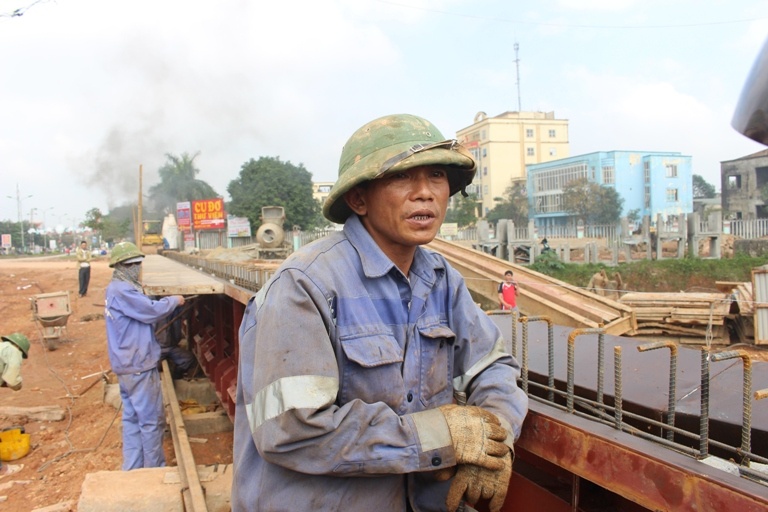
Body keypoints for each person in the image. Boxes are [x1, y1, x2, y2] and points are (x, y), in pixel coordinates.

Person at [232, 114, 528, 512]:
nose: (424, 193)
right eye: (402, 177)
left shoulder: (443, 282)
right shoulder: (305, 285)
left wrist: (495, 440)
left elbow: (493, 368)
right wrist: (438, 436)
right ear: (359, 199)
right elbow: (291, 429)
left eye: (437, 175)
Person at [104, 242, 184, 471]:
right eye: (134, 265)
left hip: (125, 364)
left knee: (131, 418)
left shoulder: (114, 289)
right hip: (138, 364)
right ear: (123, 266)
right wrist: (174, 300)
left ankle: (132, 468)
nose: (138, 268)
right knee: (151, 420)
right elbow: (150, 311)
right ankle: (154, 468)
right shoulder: (123, 290)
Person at [0, 332, 30, 478]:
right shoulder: (14, 351)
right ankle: (1, 470)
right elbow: (12, 380)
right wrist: (17, 385)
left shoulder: (2, 348)